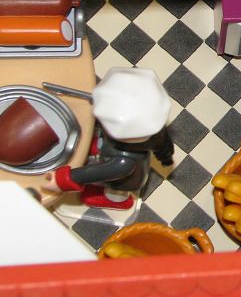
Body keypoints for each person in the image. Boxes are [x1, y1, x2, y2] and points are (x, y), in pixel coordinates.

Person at [43, 67, 173, 210]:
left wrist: (61, 181)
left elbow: (95, 173)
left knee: (114, 188)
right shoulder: (155, 130)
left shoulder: (123, 163)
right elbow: (165, 147)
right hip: (108, 151)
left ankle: (115, 200)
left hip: (123, 180)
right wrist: (166, 158)